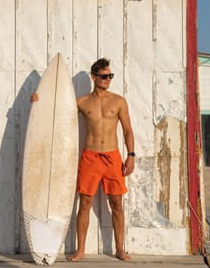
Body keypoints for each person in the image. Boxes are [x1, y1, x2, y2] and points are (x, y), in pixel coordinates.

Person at [30, 58, 135, 261]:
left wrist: (131, 155)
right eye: (104, 76)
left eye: (110, 76)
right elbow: (58, 110)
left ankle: (120, 249)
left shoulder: (119, 101)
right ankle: (80, 249)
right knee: (84, 204)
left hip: (113, 157)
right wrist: (38, 100)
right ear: (94, 77)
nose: (108, 79)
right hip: (90, 157)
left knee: (117, 204)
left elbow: (128, 131)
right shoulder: (82, 102)